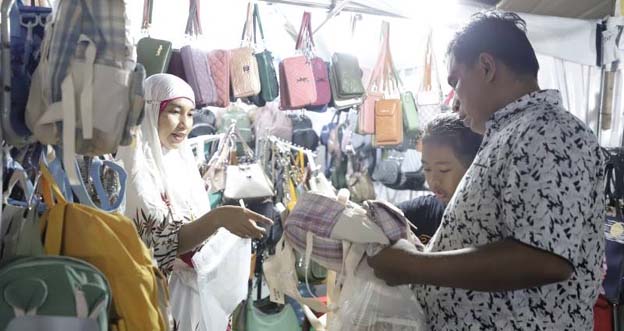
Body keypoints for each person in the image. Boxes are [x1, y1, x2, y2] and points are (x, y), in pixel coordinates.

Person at [369, 10, 606, 330]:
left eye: (456, 81)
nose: (454, 98)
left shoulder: (550, 131)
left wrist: (416, 266)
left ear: (486, 67)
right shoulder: (512, 135)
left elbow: (544, 259)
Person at [116, 74, 271, 331]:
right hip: (157, 297)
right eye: (175, 112)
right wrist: (219, 218)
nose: (184, 124)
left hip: (194, 296)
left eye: (190, 114)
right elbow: (162, 244)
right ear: (151, 110)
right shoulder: (137, 169)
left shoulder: (181, 162)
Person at [398, 112, 482, 244]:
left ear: (472, 166)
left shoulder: (485, 219)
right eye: (427, 169)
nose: (433, 180)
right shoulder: (423, 211)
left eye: (443, 170)